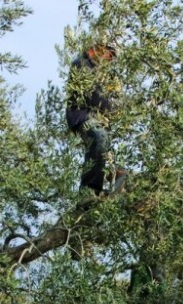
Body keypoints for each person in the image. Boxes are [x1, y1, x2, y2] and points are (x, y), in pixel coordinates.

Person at [66, 44, 127, 196]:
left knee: (106, 150)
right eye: (110, 54)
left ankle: (115, 181)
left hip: (98, 119)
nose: (110, 59)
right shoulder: (81, 64)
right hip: (83, 116)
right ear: (100, 48)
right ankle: (89, 190)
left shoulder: (100, 72)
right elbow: (92, 96)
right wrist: (113, 108)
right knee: (100, 137)